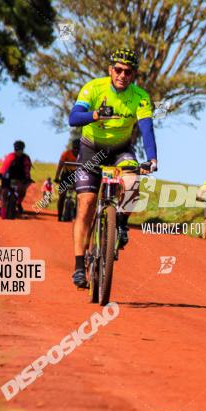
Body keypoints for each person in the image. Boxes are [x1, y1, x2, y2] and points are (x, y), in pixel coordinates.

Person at [67, 48, 158, 288]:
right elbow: (73, 118)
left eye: (128, 72)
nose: (122, 75)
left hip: (121, 150)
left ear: (134, 74)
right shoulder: (93, 88)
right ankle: (78, 267)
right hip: (90, 149)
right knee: (86, 203)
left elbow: (147, 128)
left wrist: (152, 158)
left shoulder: (140, 96)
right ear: (110, 70)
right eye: (118, 70)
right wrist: (95, 114)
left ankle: (121, 223)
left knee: (132, 183)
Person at [0, 140, 33, 218]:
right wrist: (0, 174)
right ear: (14, 149)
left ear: (23, 149)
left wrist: (27, 178)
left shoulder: (26, 158)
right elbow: (4, 166)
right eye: (17, 149)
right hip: (8, 176)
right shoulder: (10, 156)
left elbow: (27, 169)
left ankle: (18, 202)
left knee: (22, 191)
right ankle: (3, 213)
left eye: (20, 149)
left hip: (20, 178)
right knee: (4, 192)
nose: (18, 151)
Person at [54, 138, 81, 221]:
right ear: (72, 148)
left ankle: (77, 215)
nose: (76, 151)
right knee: (62, 195)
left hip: (77, 175)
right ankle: (59, 215)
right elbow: (60, 166)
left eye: (78, 149)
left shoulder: (83, 155)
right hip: (65, 176)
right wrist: (57, 177)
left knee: (79, 196)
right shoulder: (66, 153)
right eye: (74, 148)